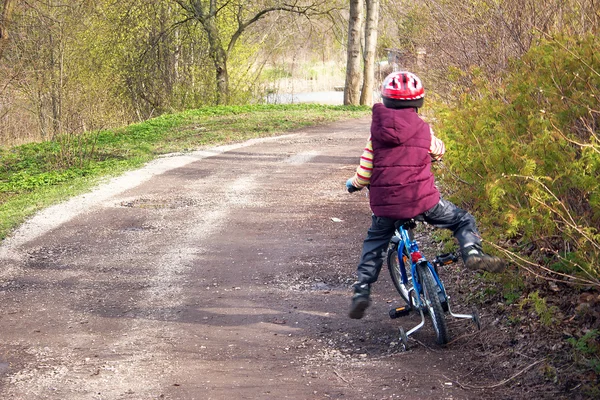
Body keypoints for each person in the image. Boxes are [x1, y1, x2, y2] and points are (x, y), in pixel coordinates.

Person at [346, 71, 505, 320]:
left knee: (374, 245)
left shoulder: (375, 135)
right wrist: (434, 155)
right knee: (462, 220)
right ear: (418, 102)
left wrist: (353, 184)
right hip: (424, 202)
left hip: (386, 207)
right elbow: (438, 149)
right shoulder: (423, 130)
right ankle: (472, 253)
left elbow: (364, 173)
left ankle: (362, 289)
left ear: (385, 100)